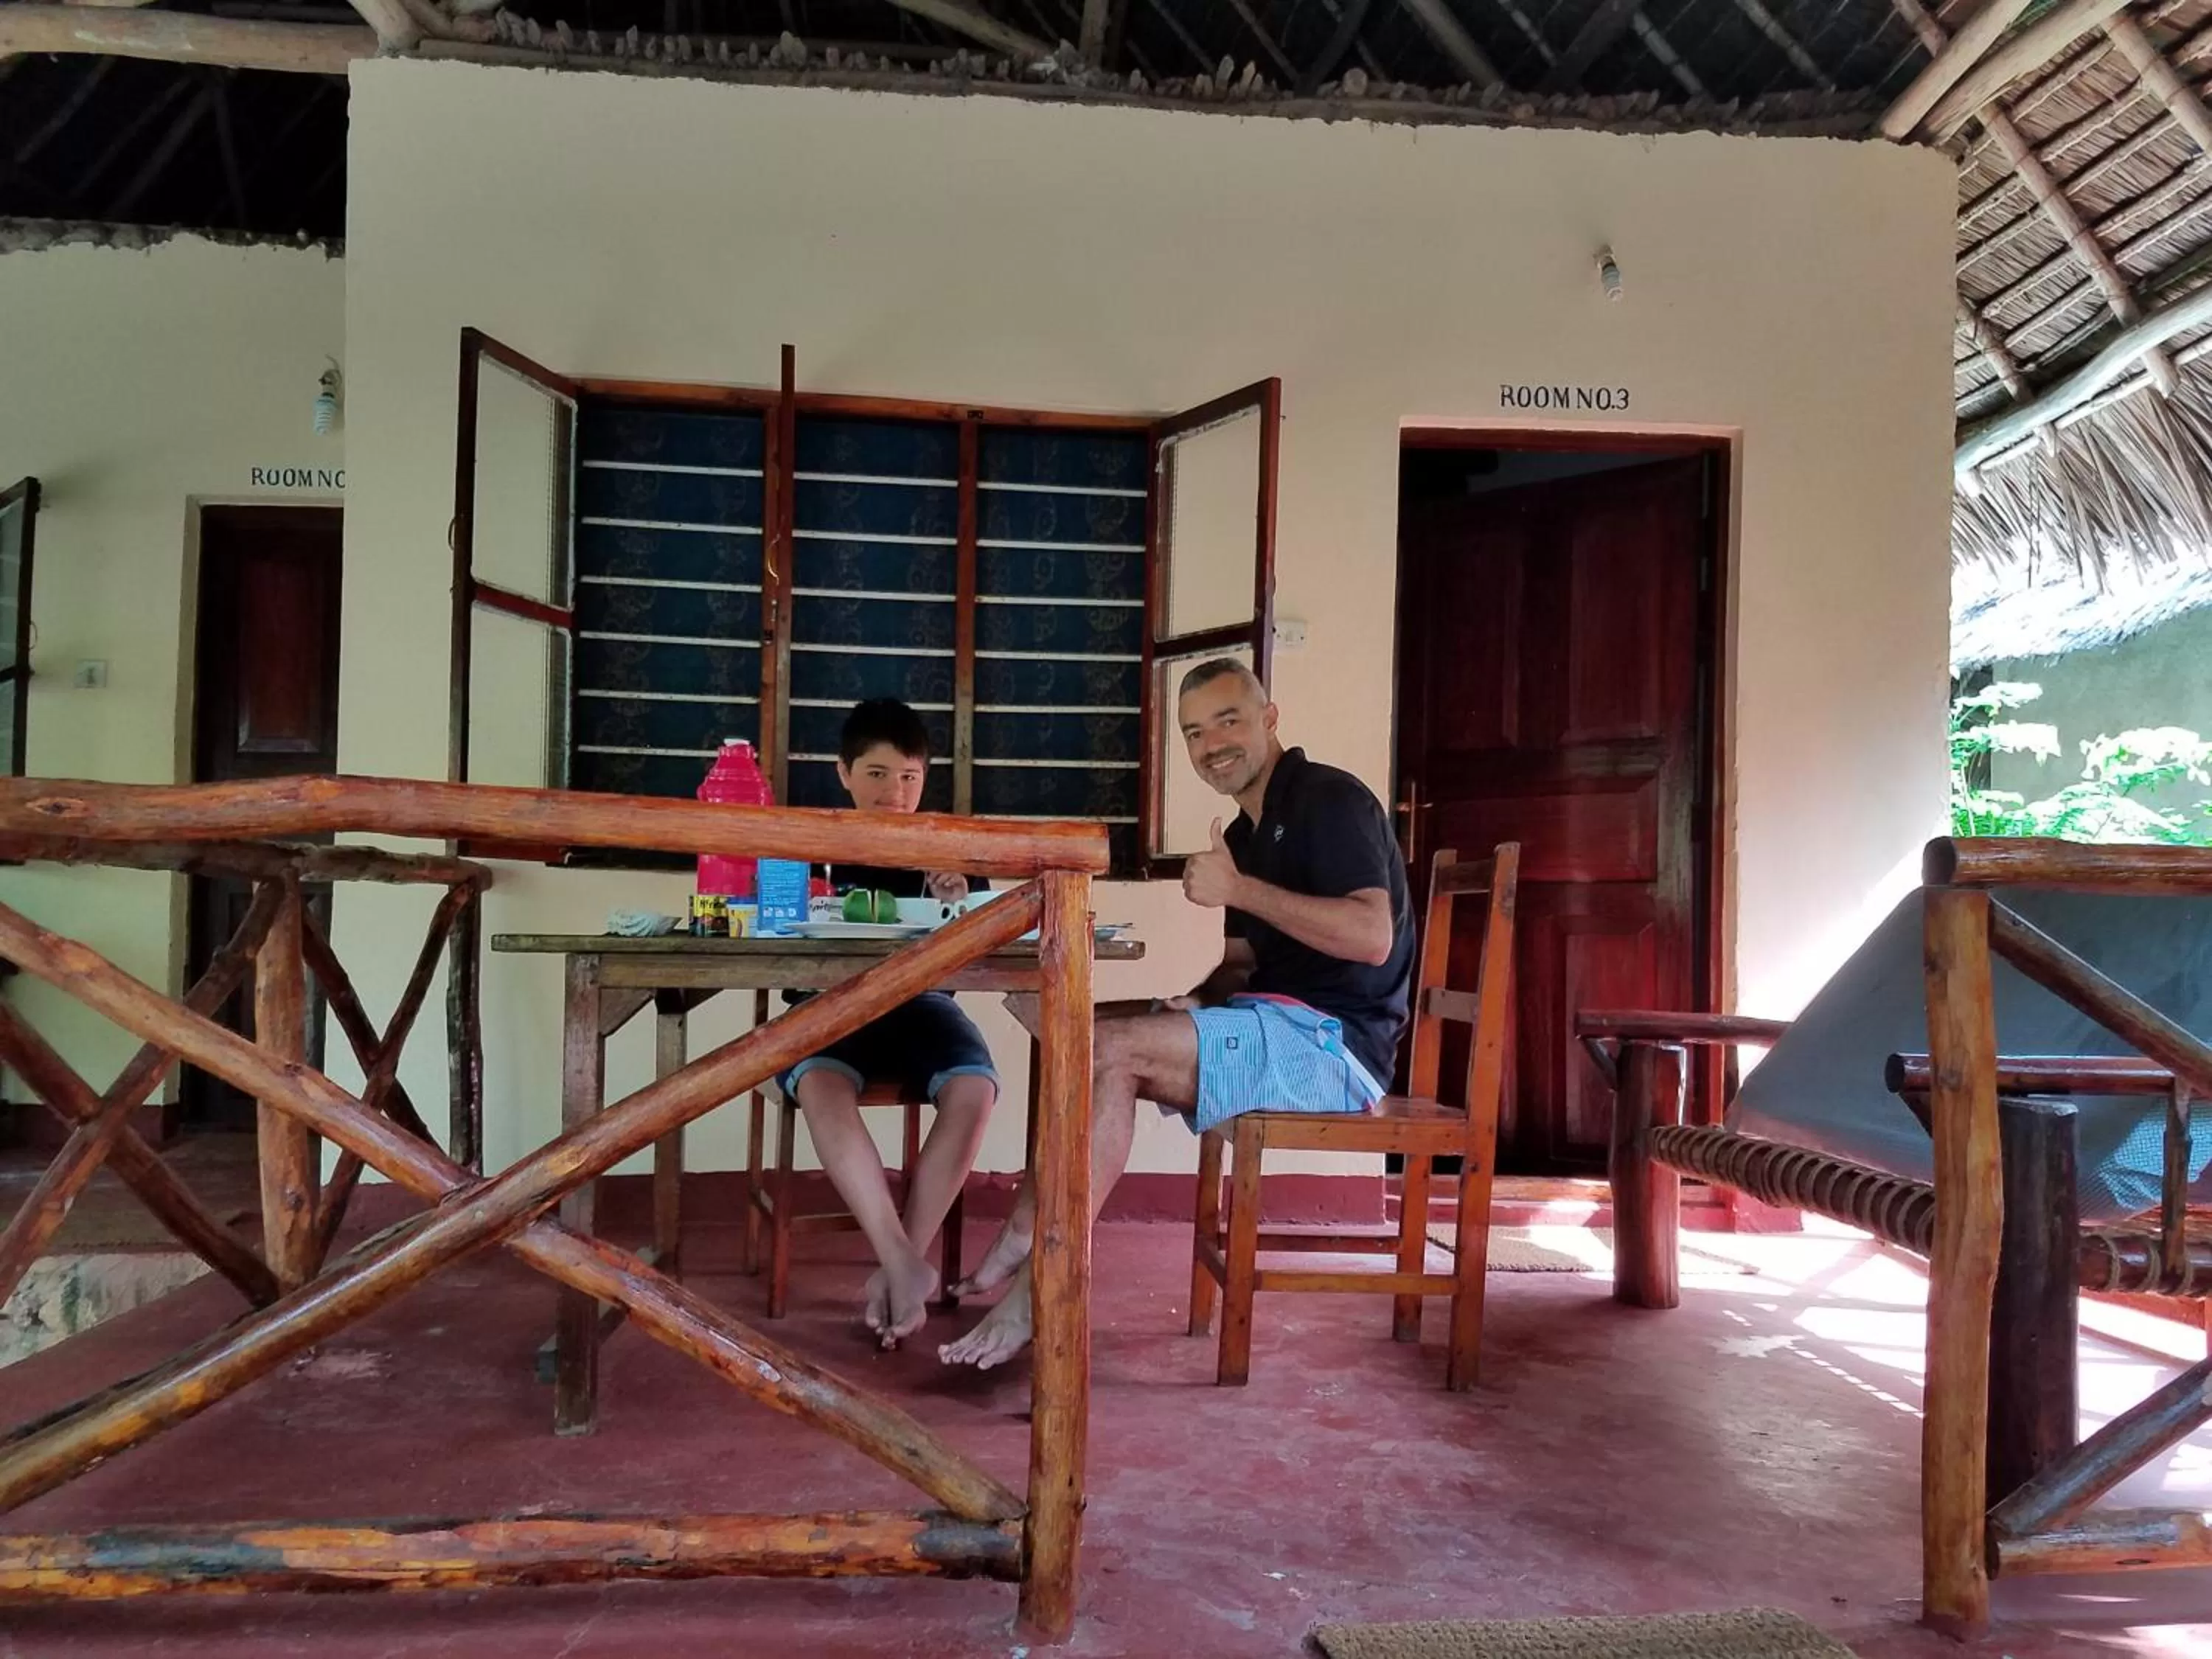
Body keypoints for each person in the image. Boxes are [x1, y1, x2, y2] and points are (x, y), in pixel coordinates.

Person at [938, 658, 1415, 1370]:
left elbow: (1371, 937)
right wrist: (1197, 1001)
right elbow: (1244, 966)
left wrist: (1240, 889)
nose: (1212, 744)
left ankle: (1036, 1281)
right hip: (1271, 1020)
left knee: (1104, 1049)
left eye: (1229, 720)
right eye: (1195, 732)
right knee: (1078, 1033)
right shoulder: (1250, 834)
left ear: (1270, 719)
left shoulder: (1328, 800)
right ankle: (1030, 1241)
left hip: (1334, 1052)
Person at [779, 698, 998, 1348]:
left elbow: (993, 942)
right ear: (843, 773)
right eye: (876, 774)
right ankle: (901, 1261)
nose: (894, 792)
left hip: (923, 1005)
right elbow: (777, 939)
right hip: (829, 1001)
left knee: (974, 1087)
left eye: (908, 777)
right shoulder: (806, 845)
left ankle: (904, 1260)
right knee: (820, 1083)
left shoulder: (948, 850)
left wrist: (966, 902)